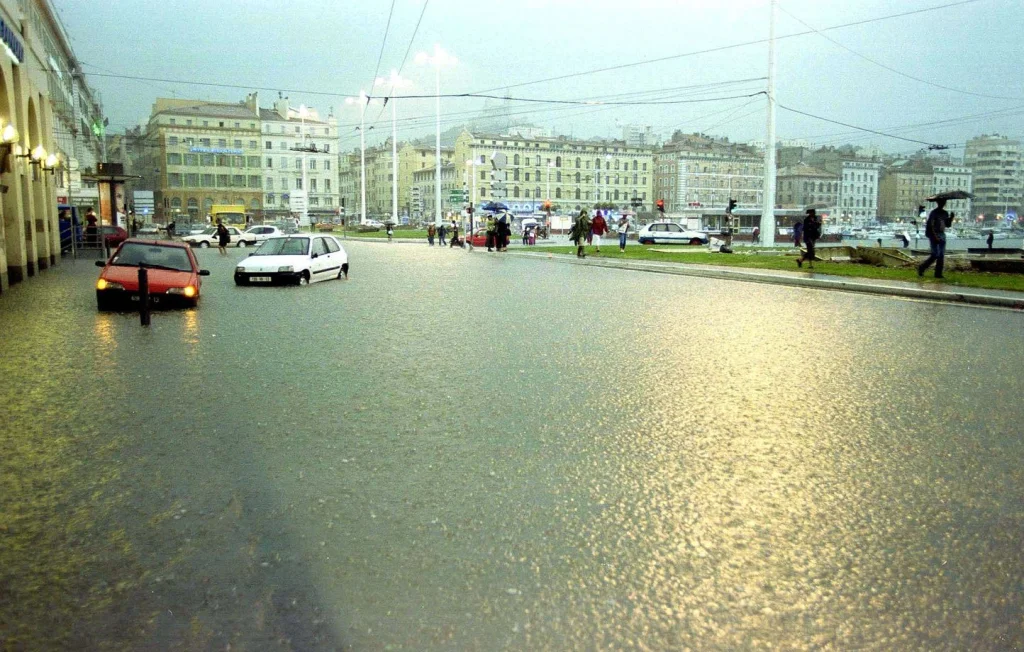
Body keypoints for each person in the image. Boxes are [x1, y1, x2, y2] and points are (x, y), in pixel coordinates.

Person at [918, 198, 952, 279]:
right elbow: (931, 225)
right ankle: (922, 267)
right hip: (934, 234)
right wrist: (935, 236)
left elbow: (948, 225)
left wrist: (951, 218)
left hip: (942, 234)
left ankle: (938, 273)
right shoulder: (934, 213)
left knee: (941, 255)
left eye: (944, 202)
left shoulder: (945, 213)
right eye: (941, 202)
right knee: (935, 254)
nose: (943, 203)